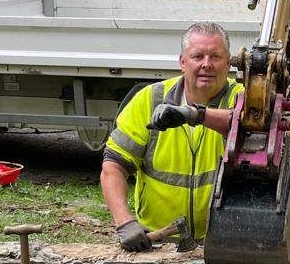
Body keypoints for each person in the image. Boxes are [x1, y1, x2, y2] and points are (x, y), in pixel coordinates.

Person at [101, 22, 240, 250]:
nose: (207, 64)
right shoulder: (149, 100)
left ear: (229, 62)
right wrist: (125, 223)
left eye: (215, 56)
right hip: (158, 242)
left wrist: (194, 114)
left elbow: (243, 123)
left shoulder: (245, 101)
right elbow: (113, 166)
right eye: (197, 56)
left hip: (226, 243)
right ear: (182, 62)